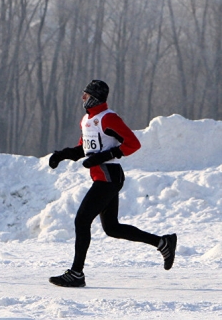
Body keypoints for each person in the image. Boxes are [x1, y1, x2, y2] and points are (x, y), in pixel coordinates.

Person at [47, 80, 177, 288]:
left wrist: (103, 157)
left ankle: (77, 273)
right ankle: (163, 243)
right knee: (113, 228)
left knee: (82, 220)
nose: (83, 98)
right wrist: (63, 154)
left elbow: (133, 143)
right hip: (102, 178)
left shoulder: (109, 118)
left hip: (109, 178)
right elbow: (84, 149)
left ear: (96, 97)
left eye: (86, 95)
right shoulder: (88, 120)